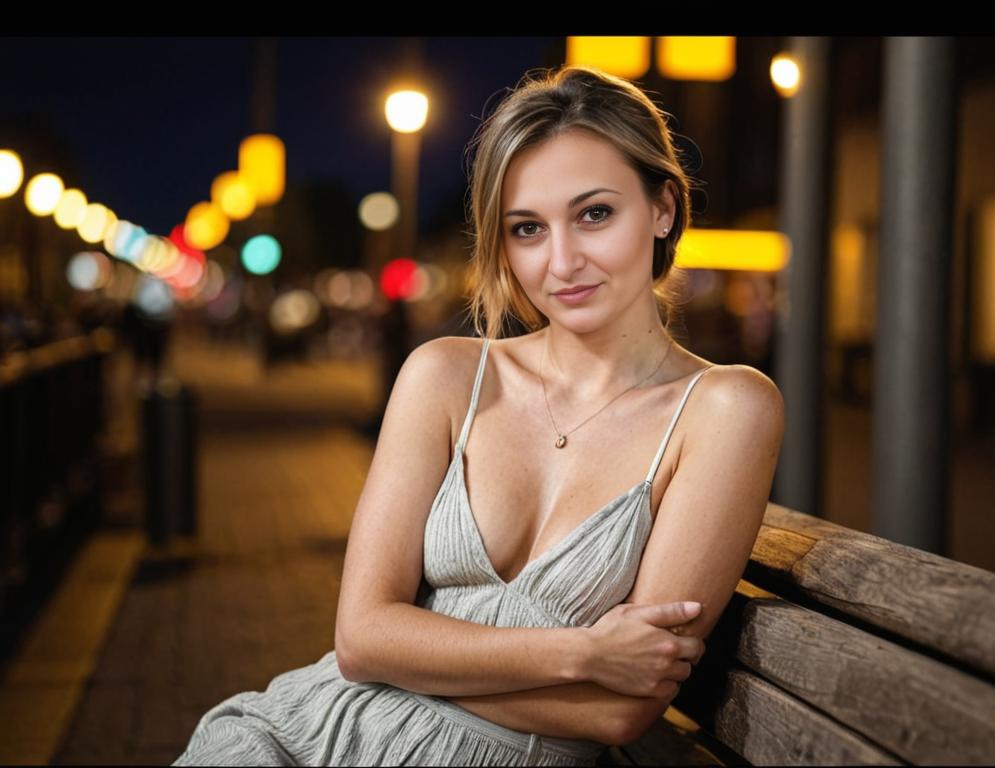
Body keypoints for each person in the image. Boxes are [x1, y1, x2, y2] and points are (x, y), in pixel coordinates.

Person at [173, 64, 784, 767]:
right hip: (298, 737)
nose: (563, 262)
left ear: (664, 209)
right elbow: (362, 639)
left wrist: (419, 654)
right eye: (527, 228)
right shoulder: (446, 376)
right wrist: (581, 651)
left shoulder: (726, 408)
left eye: (595, 214)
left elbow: (620, 710)